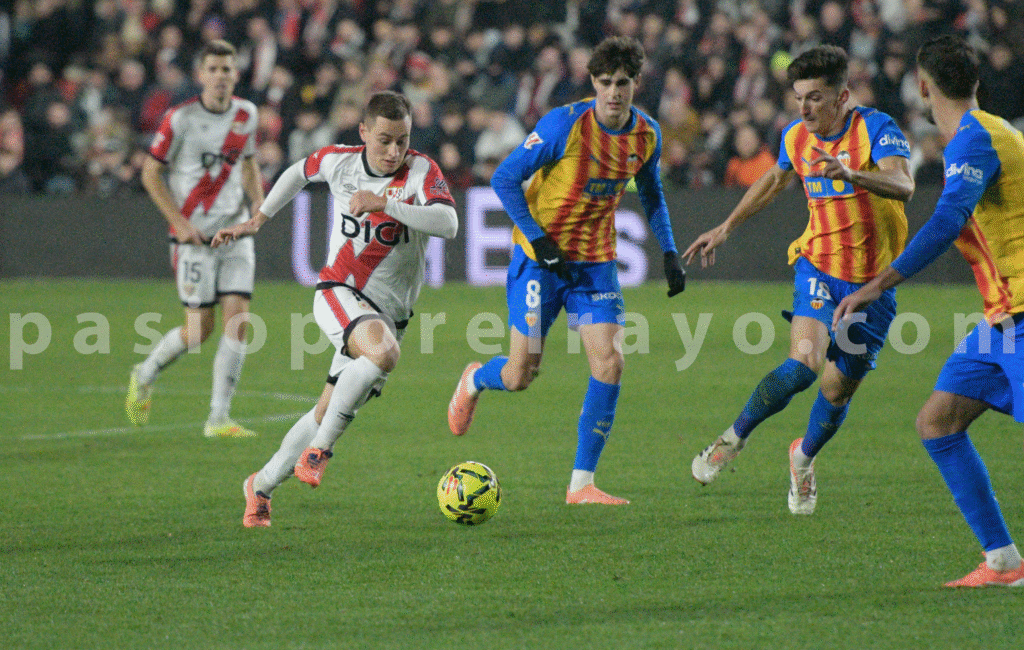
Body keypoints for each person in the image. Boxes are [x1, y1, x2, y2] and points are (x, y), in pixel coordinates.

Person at [446, 36, 687, 506]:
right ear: (592, 82)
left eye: (622, 83)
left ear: (637, 83)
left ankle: (581, 484)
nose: (614, 92)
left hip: (595, 262)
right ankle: (475, 378)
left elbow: (653, 192)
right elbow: (504, 177)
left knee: (610, 362)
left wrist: (670, 251)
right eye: (604, 83)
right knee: (520, 375)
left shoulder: (647, 134)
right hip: (540, 262)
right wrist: (537, 239)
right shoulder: (564, 125)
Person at [683, 45, 915, 514]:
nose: (805, 108)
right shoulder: (796, 137)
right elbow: (772, 181)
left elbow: (905, 185)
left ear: (843, 96)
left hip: (872, 285)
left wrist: (853, 173)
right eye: (799, 97)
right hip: (818, 268)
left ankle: (803, 459)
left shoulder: (876, 129)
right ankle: (733, 437)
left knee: (836, 390)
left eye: (815, 98)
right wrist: (725, 227)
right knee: (802, 366)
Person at [212, 91, 458, 528]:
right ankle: (319, 452)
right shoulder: (338, 161)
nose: (393, 151)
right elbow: (297, 173)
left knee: (325, 408)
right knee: (383, 355)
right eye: (383, 140)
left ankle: (261, 486)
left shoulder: (420, 171)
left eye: (401, 140)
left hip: (390, 315)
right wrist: (258, 219)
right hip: (339, 290)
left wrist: (387, 204)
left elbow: (448, 223)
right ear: (363, 133)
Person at [834, 35, 1024, 587]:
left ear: (921, 86)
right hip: (1000, 320)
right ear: (975, 83)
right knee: (937, 422)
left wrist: (876, 285)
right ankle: (1004, 562)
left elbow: (945, 223)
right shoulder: (995, 131)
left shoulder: (974, 140)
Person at [126, 40, 265, 438]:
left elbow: (249, 164)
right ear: (201, 75)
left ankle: (218, 418)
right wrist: (179, 222)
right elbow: (150, 173)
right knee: (198, 330)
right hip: (195, 238)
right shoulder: (180, 119)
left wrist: (258, 205)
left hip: (234, 232)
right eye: (214, 69)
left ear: (236, 74)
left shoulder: (247, 115)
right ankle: (145, 371)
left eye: (228, 69)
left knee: (238, 321)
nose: (221, 76)